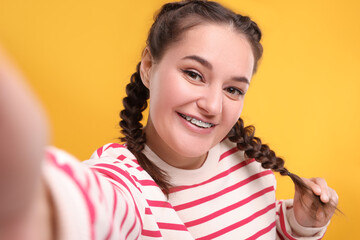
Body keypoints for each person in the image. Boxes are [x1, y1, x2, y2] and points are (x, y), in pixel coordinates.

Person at [0, 0, 338, 239]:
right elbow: (86, 208)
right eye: (193, 74)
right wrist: (28, 198)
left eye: (233, 89)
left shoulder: (248, 159)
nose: (212, 105)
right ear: (149, 65)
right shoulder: (125, 182)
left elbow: (259, 226)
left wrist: (299, 223)